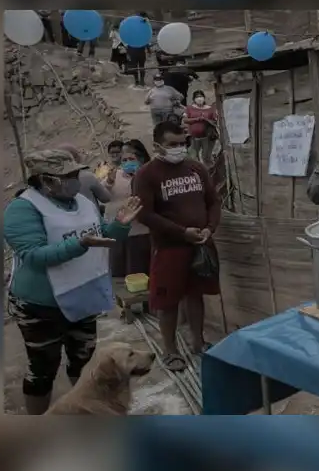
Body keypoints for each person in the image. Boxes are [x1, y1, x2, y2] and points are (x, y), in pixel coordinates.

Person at [3, 150, 142, 414]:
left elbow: (99, 235)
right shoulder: (22, 209)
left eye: (75, 174)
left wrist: (119, 226)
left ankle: (84, 413)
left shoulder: (82, 202)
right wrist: (79, 244)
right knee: (42, 370)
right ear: (45, 180)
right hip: (42, 307)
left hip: (82, 295)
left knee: (84, 363)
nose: (75, 181)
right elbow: (34, 255)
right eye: (67, 176)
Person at [133, 122, 222, 371]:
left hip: (201, 245)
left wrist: (210, 228)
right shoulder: (146, 175)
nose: (179, 148)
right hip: (169, 248)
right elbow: (145, 214)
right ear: (157, 146)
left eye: (183, 143)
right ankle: (170, 351)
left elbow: (213, 202)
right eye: (172, 144)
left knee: (196, 295)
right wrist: (182, 233)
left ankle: (199, 343)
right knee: (167, 301)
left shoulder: (196, 168)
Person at [105, 140, 153, 278]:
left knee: (142, 274)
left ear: (141, 159)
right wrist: (109, 182)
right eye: (124, 160)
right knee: (120, 276)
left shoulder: (149, 175)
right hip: (120, 234)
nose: (127, 163)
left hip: (142, 234)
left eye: (131, 159)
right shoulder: (115, 176)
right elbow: (102, 196)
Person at [185, 105, 228, 203]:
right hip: (195, 138)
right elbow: (185, 120)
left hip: (208, 139)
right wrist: (197, 119)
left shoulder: (211, 110)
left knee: (207, 159)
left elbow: (215, 122)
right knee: (195, 158)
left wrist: (206, 120)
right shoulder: (190, 109)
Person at [55, 143, 112, 211]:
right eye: (78, 154)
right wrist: (108, 183)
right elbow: (106, 198)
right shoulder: (87, 177)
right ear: (75, 158)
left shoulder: (51, 182)